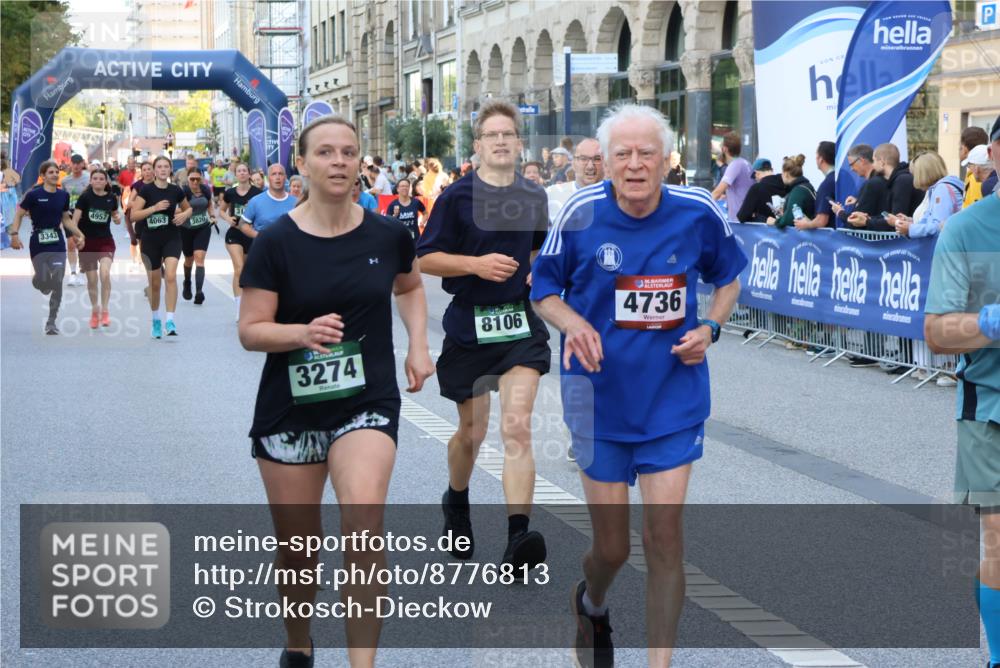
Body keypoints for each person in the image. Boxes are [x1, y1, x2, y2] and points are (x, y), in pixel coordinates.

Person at [530, 104, 746, 668]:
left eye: (645, 153)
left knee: (664, 535)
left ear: (666, 159)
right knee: (612, 548)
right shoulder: (580, 211)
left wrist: (710, 326)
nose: (633, 164)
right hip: (597, 399)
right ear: (605, 162)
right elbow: (542, 290)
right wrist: (573, 322)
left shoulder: (698, 210)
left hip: (671, 397)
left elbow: (729, 278)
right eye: (621, 154)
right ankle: (592, 602)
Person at [238, 114, 434, 668]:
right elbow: (251, 330)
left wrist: (418, 344)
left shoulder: (388, 233)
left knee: (364, 524)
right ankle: (299, 640)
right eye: (325, 152)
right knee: (300, 555)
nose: (339, 162)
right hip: (290, 409)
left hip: (365, 402)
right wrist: (300, 333)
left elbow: (411, 285)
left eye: (348, 152)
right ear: (301, 164)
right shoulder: (275, 242)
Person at [417, 101, 552, 570]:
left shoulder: (534, 196)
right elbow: (425, 258)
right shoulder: (456, 197)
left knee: (516, 426)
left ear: (518, 144)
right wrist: (475, 264)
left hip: (517, 324)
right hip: (470, 324)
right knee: (471, 434)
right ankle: (456, 500)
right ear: (477, 146)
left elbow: (537, 252)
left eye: (507, 134)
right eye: (491, 135)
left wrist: (542, 276)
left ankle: (518, 539)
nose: (499, 141)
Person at [924, 114, 1000, 668]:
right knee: (997, 538)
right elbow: (936, 332)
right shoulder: (966, 230)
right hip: (989, 408)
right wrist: (991, 324)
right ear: (993, 156)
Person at [11, 161, 87, 334]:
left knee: (58, 280)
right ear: (43, 176)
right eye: (50, 172)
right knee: (44, 281)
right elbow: (20, 214)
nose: (54, 174)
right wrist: (14, 235)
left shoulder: (63, 195)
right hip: (38, 240)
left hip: (57, 241)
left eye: (56, 172)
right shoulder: (33, 195)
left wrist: (79, 234)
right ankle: (39, 280)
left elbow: (66, 219)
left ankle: (51, 321)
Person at [130, 155, 190, 338]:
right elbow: (133, 216)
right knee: (155, 284)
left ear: (170, 169)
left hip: (172, 237)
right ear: (154, 170)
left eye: (166, 167)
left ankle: (170, 320)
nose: (163, 170)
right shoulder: (146, 190)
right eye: (160, 167)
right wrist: (154, 208)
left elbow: (188, 207)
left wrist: (184, 215)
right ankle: (156, 319)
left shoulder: (176, 190)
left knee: (171, 276)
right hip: (150, 241)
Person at [72, 169, 121, 328]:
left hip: (105, 241)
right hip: (87, 243)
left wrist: (117, 218)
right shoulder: (85, 198)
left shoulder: (111, 198)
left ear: (106, 182)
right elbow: (74, 221)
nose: (99, 181)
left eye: (101, 178)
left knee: (105, 273)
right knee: (92, 280)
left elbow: (114, 214)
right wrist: (77, 237)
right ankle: (95, 310)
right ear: (91, 181)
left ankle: (105, 310)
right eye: (95, 178)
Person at [220, 163, 262, 321]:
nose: (242, 173)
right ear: (235, 174)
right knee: (239, 269)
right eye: (239, 171)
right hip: (235, 234)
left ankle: (250, 304)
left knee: (248, 272)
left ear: (249, 173)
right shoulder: (230, 193)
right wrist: (228, 219)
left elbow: (261, 213)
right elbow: (222, 211)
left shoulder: (257, 193)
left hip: (250, 234)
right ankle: (239, 309)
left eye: (245, 170)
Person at [889, 151, 963, 239]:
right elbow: (931, 221)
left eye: (915, 174)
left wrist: (910, 228)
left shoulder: (942, 190)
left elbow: (938, 227)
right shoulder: (937, 189)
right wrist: (910, 224)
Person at [864, 143, 924, 230]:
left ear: (882, 162)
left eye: (874, 161)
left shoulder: (902, 181)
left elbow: (896, 219)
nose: (873, 165)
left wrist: (867, 221)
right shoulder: (900, 179)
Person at [546, 138, 606, 226]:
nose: (590, 166)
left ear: (605, 163)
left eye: (597, 159)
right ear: (573, 164)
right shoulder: (552, 194)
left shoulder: (618, 198)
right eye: (583, 159)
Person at [179, 170, 216, 305]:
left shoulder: (205, 190)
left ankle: (199, 292)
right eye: (192, 179)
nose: (195, 182)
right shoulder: (182, 192)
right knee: (189, 259)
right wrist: (182, 214)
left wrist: (212, 216)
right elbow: (176, 209)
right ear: (188, 179)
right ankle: (187, 282)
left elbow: (210, 205)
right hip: (186, 229)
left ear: (201, 179)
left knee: (199, 258)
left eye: (197, 179)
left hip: (203, 227)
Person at [833, 143, 888, 230]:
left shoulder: (871, 184)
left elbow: (855, 222)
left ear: (862, 160)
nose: (851, 169)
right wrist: (858, 201)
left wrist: (839, 212)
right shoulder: (882, 180)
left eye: (851, 164)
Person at [240, 164, 296, 239]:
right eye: (273, 174)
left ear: (285, 177)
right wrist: (260, 237)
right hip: (264, 249)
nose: (277, 177)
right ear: (268, 178)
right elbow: (242, 224)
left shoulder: (296, 202)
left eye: (280, 174)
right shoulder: (255, 201)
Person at [792, 141, 837, 230]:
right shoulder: (843, 177)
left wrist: (805, 224)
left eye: (816, 156)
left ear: (821, 159)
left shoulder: (827, 184)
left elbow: (821, 220)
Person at [710, 131, 753, 223]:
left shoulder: (734, 165)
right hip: (745, 218)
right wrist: (726, 197)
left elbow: (716, 193)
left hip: (737, 220)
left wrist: (702, 205)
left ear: (724, 149)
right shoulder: (746, 163)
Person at [61, 154, 90, 286]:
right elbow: (62, 199)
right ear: (70, 164)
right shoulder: (65, 181)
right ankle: (73, 273)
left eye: (79, 163)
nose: (77, 166)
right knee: (71, 243)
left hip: (85, 213)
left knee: (82, 242)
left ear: (83, 164)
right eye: (74, 163)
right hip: (70, 214)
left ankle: (83, 271)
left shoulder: (89, 177)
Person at [767, 155, 816, 229]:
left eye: (782, 173)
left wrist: (774, 222)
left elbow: (789, 219)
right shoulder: (806, 186)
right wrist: (785, 213)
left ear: (786, 174)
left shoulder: (798, 191)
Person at [736, 158, 787, 223]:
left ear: (757, 173)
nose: (756, 179)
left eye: (755, 178)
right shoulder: (787, 183)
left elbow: (742, 217)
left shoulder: (756, 188)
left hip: (767, 232)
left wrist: (757, 216)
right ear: (772, 170)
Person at [125, 161, 155, 273]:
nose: (147, 172)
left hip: (157, 218)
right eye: (145, 170)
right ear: (141, 172)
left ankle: (156, 262)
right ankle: (141, 261)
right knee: (142, 243)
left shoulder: (159, 183)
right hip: (141, 217)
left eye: (149, 169)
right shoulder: (138, 185)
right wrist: (145, 205)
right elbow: (129, 203)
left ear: (154, 170)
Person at [385, 176, 426, 240]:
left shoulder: (416, 202)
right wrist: (395, 215)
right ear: (397, 189)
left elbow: (426, 213)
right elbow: (387, 222)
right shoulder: (392, 205)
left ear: (409, 188)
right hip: (399, 237)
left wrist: (422, 222)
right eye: (402, 186)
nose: (405, 188)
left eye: (407, 186)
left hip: (415, 237)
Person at [960, 126, 989, 208]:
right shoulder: (973, 174)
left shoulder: (976, 177)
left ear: (965, 149)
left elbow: (975, 207)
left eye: (960, 148)